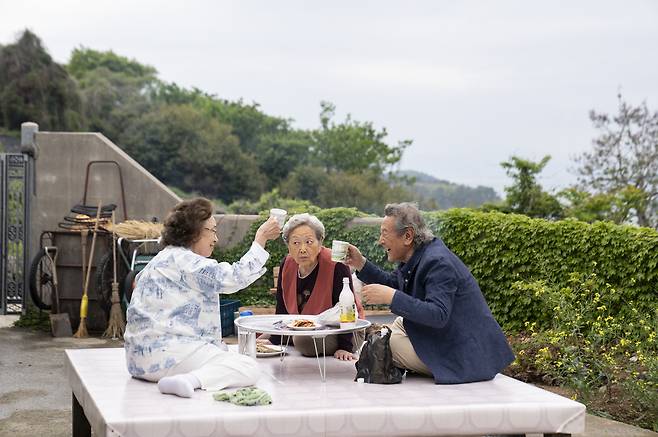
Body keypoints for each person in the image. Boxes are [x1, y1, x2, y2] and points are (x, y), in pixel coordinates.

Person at [124, 198, 280, 398]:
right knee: (248, 366)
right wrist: (261, 238)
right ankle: (188, 380)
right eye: (212, 231)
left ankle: (187, 377)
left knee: (228, 357)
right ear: (194, 231)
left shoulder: (161, 259)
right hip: (168, 356)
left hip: (138, 360)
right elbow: (234, 277)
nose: (216, 238)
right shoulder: (185, 261)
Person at [345, 202, 514, 384]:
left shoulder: (438, 263)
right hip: (449, 335)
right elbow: (395, 283)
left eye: (385, 233)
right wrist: (361, 263)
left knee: (385, 344)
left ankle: (429, 363)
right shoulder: (418, 255)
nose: (380, 240)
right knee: (399, 325)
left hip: (464, 356)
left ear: (408, 236)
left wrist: (391, 297)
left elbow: (438, 314)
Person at [268, 213, 364, 361]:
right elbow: (281, 307)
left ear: (320, 242)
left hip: (344, 329)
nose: (302, 249)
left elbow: (347, 308)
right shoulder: (286, 264)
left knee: (303, 341)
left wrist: (345, 347)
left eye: (309, 242)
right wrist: (274, 342)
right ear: (288, 245)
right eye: (295, 243)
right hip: (304, 327)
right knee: (262, 334)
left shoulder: (336, 265)